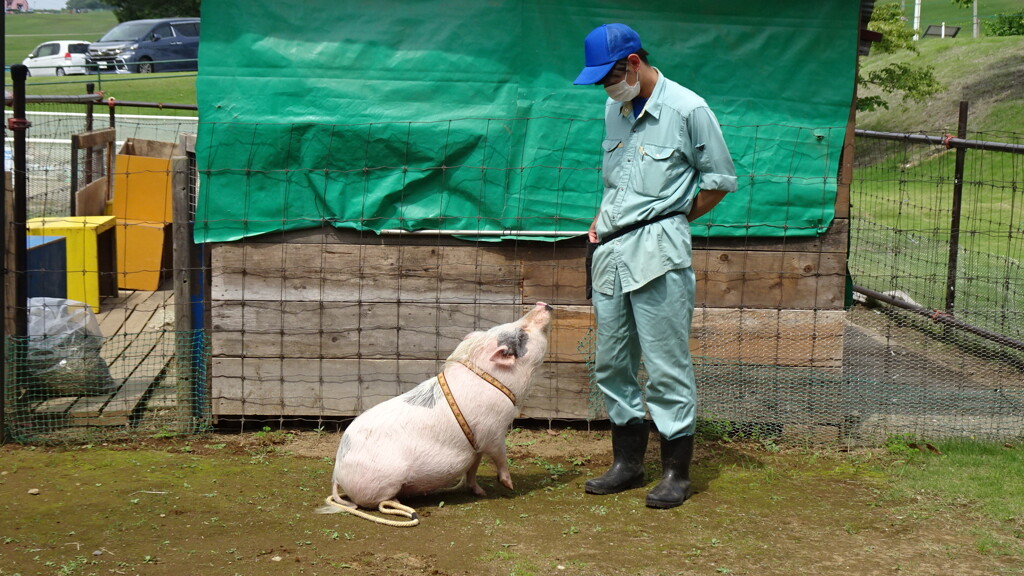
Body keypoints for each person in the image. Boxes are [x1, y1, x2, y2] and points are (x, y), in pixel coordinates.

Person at [573, 23, 737, 509]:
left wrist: (672, 218)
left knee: (666, 366)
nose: (607, 87)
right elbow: (617, 181)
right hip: (610, 253)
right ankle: (627, 463)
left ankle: (676, 474)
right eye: (601, 81)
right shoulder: (614, 109)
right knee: (611, 362)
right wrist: (603, 217)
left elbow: (719, 180)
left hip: (659, 253)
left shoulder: (689, 109)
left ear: (635, 63)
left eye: (610, 76)